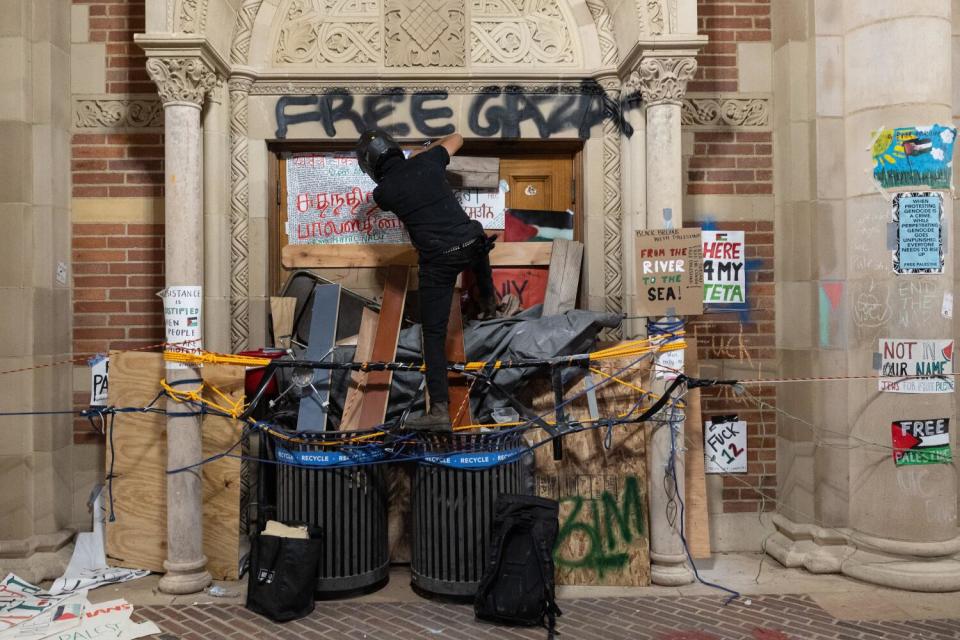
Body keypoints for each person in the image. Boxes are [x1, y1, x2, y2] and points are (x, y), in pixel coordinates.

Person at [356, 128, 498, 432]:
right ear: (396, 149)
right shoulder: (429, 161)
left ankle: (439, 411)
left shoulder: (384, 193)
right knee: (477, 239)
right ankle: (488, 299)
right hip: (471, 244)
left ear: (370, 167)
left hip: (440, 259)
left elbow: (395, 188)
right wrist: (424, 152)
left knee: (433, 336)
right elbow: (458, 137)